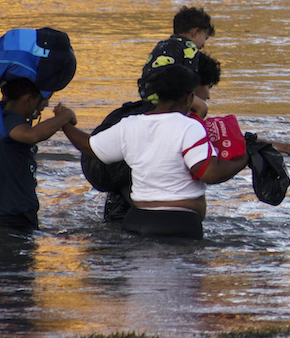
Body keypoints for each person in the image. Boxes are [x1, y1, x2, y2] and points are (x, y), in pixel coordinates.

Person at [89, 64, 247, 239]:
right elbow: (210, 174)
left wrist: (64, 122)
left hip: (135, 220)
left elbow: (90, 146)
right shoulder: (189, 127)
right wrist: (243, 160)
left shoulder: (130, 124)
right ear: (189, 99)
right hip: (177, 224)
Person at [0, 78, 91, 232]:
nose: (46, 105)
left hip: (15, 214)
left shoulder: (1, 112)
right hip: (11, 218)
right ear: (27, 99)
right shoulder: (8, 121)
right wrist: (65, 116)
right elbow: (32, 135)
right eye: (44, 100)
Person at [137, 6, 215, 105]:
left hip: (146, 93)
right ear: (195, 32)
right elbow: (190, 79)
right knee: (202, 107)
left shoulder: (162, 44)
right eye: (205, 38)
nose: (204, 44)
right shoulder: (190, 47)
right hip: (167, 95)